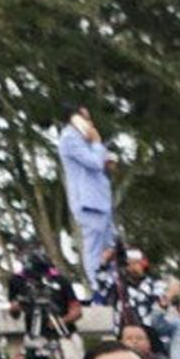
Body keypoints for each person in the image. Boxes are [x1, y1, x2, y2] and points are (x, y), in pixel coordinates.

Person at [57, 108, 118, 280]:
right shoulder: (69, 138)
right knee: (94, 249)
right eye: (85, 117)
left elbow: (103, 160)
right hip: (88, 202)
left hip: (101, 201)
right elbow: (93, 162)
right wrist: (97, 143)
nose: (89, 122)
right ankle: (98, 288)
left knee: (110, 247)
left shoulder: (84, 139)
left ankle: (112, 286)